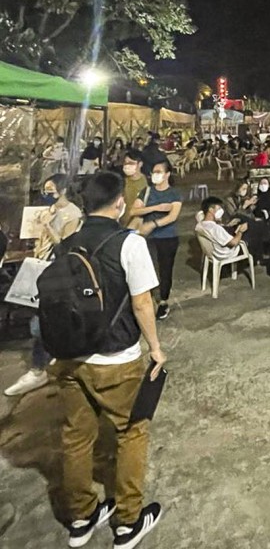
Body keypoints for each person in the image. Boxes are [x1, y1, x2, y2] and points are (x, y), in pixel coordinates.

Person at [51, 171, 165, 548]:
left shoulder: (67, 243)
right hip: (116, 358)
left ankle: (81, 518)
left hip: (70, 357)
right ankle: (128, 523)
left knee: (76, 437)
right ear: (119, 203)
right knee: (131, 431)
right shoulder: (129, 243)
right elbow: (143, 302)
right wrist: (156, 348)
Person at [4, 174, 84, 397]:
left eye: (50, 189)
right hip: (39, 267)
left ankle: (41, 368)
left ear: (63, 189)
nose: (47, 193)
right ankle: (46, 364)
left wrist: (49, 227)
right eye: (45, 189)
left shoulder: (73, 214)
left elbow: (65, 248)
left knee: (42, 321)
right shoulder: (48, 210)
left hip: (57, 271)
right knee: (38, 318)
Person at [130, 160, 182, 320]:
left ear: (167, 175)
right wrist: (155, 208)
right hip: (148, 238)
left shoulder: (174, 194)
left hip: (168, 237)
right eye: (154, 171)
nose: (155, 175)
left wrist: (153, 224)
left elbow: (172, 216)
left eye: (159, 171)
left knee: (165, 270)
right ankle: (149, 300)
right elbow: (133, 210)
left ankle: (163, 301)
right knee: (148, 268)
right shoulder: (146, 191)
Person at [196, 196, 250, 260]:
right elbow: (234, 243)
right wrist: (240, 231)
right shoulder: (215, 228)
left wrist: (227, 225)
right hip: (227, 254)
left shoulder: (200, 224)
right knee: (251, 231)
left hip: (214, 252)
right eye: (219, 208)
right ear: (211, 210)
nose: (221, 211)